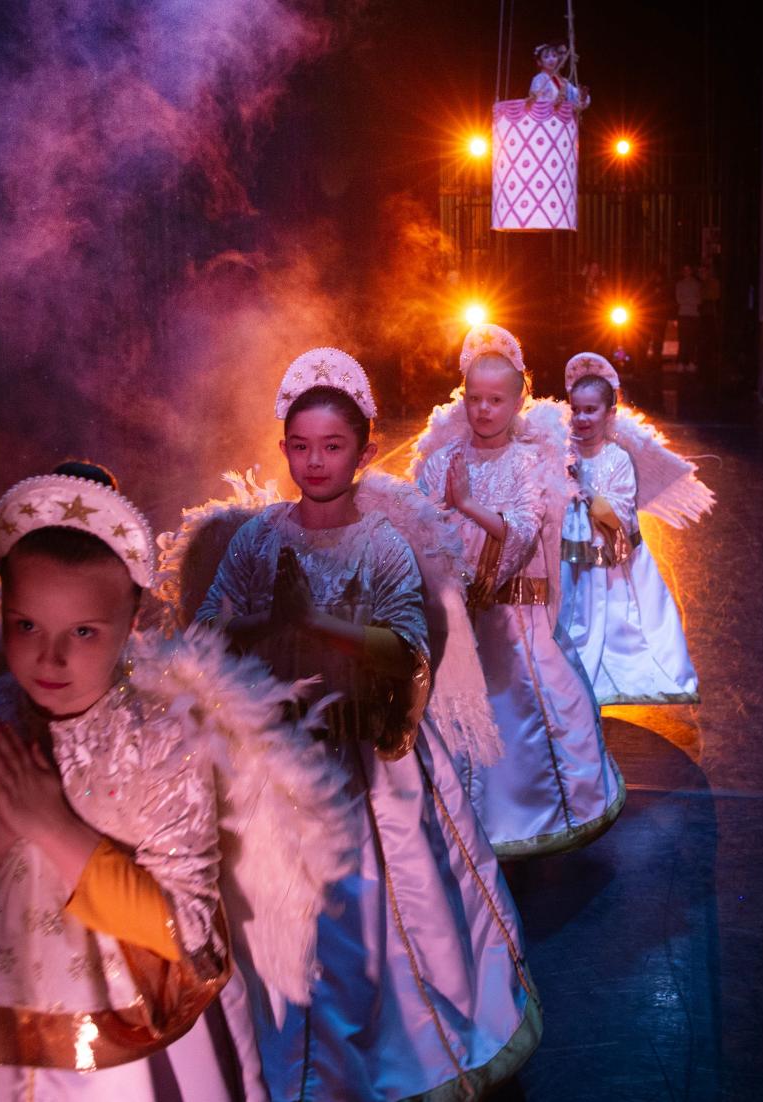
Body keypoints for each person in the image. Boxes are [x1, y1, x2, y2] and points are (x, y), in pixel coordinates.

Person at [0, 460, 357, 1101]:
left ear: (130, 627)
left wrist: (51, 825)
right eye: (27, 627)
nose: (51, 658)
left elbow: (186, 930)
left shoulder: (160, 737)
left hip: (123, 1048)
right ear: (4, 612)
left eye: (82, 632)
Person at [192, 348, 541, 1100]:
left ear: (364, 451)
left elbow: (405, 645)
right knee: (270, 916)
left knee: (355, 924)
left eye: (333, 447)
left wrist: (320, 622)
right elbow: (208, 625)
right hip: (273, 752)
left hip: (362, 759)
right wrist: (259, 622)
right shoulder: (258, 538)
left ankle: (376, 1056)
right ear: (284, 447)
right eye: (301, 446)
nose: (314, 462)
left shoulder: (381, 543)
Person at [411, 324, 624, 858]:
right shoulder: (440, 462)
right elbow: (418, 534)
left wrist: (467, 507)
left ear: (519, 398)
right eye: (474, 398)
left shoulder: (532, 461)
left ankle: (535, 818)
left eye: (496, 400)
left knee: (529, 723)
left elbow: (525, 530)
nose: (483, 410)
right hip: (460, 625)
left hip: (517, 627)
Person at [560, 354, 711, 705]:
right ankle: (572, 679)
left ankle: (611, 673)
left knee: (614, 622)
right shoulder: (564, 453)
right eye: (576, 410)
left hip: (608, 562)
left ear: (609, 413)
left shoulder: (617, 460)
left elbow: (618, 516)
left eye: (591, 410)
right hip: (571, 560)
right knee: (573, 619)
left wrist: (583, 486)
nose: (581, 418)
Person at [527, 41, 590, 110]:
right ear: (539, 62)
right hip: (546, 118)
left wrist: (582, 96)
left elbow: (576, 102)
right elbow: (535, 102)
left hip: (562, 118)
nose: (551, 59)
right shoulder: (540, 78)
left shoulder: (564, 81)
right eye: (546, 57)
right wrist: (554, 104)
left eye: (554, 56)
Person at [675, 263, 702, 372]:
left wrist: (688, 301)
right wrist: (691, 300)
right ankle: (681, 362)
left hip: (694, 315)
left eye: (688, 270)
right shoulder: (679, 284)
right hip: (683, 314)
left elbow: (699, 300)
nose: (686, 272)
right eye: (684, 270)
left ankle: (691, 361)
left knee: (692, 339)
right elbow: (679, 299)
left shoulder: (697, 284)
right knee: (683, 339)